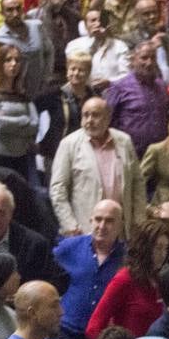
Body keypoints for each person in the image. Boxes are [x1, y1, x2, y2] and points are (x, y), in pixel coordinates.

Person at [50, 96, 147, 236]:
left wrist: (139, 221)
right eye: (85, 115)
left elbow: (138, 183)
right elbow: (58, 189)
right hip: (84, 230)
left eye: (95, 115)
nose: (89, 120)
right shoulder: (68, 144)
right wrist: (70, 224)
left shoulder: (124, 141)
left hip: (122, 231)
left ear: (108, 118)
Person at [0, 182, 69, 290]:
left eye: (0, 213)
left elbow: (57, 282)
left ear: (11, 213)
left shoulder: (34, 245)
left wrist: (24, 295)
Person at [53, 198, 125, 339]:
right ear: (91, 220)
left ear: (120, 225)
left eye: (109, 221)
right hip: (66, 333)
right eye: (98, 219)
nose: (102, 226)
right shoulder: (68, 247)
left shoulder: (128, 258)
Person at [85, 218, 169, 339]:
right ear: (144, 247)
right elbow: (94, 327)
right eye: (158, 248)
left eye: (166, 248)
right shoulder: (125, 279)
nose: (163, 254)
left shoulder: (163, 279)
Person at [0, 42, 39, 178]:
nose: (13, 64)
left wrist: (9, 123)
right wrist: (23, 121)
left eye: (17, 60)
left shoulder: (23, 95)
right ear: (0, 63)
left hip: (20, 158)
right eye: (8, 60)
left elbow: (35, 125)